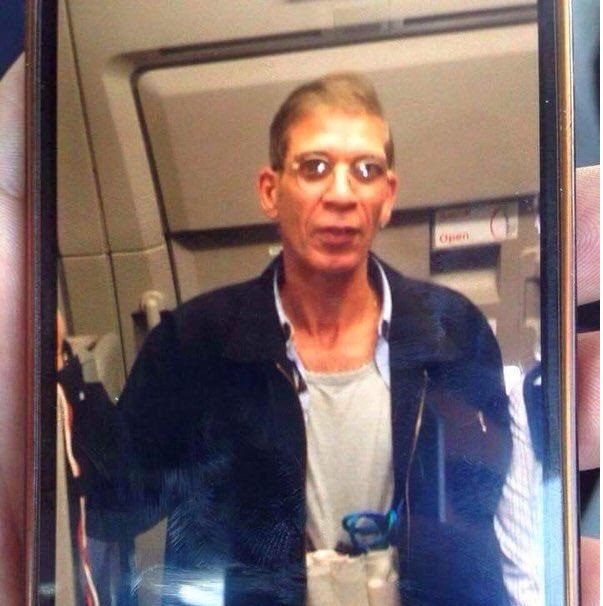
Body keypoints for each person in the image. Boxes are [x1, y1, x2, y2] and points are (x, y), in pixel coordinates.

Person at [0, 58, 599, 606]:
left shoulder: (454, 333)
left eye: (365, 170)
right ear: (271, 190)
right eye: (314, 168)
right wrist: (59, 368)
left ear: (387, 196)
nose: (341, 194)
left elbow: (481, 526)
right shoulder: (193, 345)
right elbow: (117, 507)